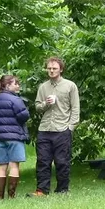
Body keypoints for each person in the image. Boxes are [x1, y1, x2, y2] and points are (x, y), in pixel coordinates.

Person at [34, 56, 80, 196]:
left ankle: (62, 190)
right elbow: (37, 107)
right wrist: (46, 104)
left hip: (62, 129)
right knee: (42, 161)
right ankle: (42, 190)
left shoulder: (70, 86)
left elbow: (75, 108)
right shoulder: (43, 87)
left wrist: (70, 127)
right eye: (49, 68)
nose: (51, 71)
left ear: (61, 69)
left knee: (62, 161)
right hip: (45, 129)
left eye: (54, 68)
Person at [0, 74, 30, 200]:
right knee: (14, 165)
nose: (18, 86)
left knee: (1, 166)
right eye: (15, 83)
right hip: (14, 136)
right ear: (7, 85)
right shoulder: (15, 100)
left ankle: (0, 198)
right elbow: (24, 116)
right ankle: (11, 196)